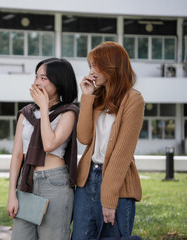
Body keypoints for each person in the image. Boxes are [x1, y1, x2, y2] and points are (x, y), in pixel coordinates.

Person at [72, 41, 144, 239]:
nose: (91, 71)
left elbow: (122, 154)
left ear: (111, 66)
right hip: (87, 182)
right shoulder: (96, 97)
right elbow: (84, 137)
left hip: (117, 185)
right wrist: (86, 97)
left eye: (95, 65)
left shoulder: (133, 100)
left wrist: (109, 199)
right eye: (89, 66)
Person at [7, 58, 79, 240]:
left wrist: (45, 107)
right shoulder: (26, 114)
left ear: (59, 81)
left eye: (44, 78)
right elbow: (17, 155)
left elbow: (49, 144)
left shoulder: (68, 112)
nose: (37, 82)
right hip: (27, 182)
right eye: (36, 77)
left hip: (55, 183)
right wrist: (12, 194)